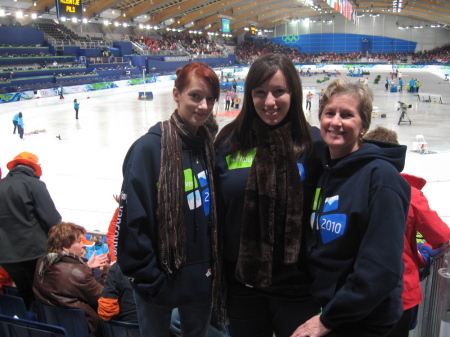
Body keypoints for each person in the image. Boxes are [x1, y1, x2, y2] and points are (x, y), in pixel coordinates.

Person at [214, 53, 325, 337]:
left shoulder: (313, 146)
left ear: (294, 93)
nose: (269, 102)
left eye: (279, 92)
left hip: (298, 289)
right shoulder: (229, 142)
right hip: (244, 287)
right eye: (260, 92)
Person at [292, 78, 410, 337]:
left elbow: (381, 269)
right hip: (332, 310)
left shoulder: (381, 178)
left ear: (363, 125)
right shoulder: (327, 169)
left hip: (362, 321)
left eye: (347, 115)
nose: (336, 122)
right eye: (329, 113)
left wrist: (328, 320)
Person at [116, 62, 220, 337]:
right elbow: (132, 227)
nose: (204, 106)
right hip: (158, 285)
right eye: (195, 96)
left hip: (200, 283)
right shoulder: (149, 150)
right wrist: (153, 282)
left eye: (210, 99)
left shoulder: (207, 148)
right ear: (176, 94)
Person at [364, 126, 450, 337]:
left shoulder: (354, 186)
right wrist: (423, 251)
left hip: (359, 290)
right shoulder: (409, 192)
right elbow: (441, 236)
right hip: (401, 291)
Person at [0, 152, 61, 310]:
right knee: (41, 294)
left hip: (6, 256)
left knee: (24, 292)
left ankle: (27, 324)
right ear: (34, 170)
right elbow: (51, 219)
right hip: (34, 253)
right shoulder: (34, 184)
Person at [33, 222, 109, 337]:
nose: (83, 245)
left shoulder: (42, 262)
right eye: (79, 241)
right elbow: (103, 297)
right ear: (65, 246)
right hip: (83, 327)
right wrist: (108, 270)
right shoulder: (78, 273)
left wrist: (86, 267)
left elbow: (66, 280)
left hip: (52, 324)